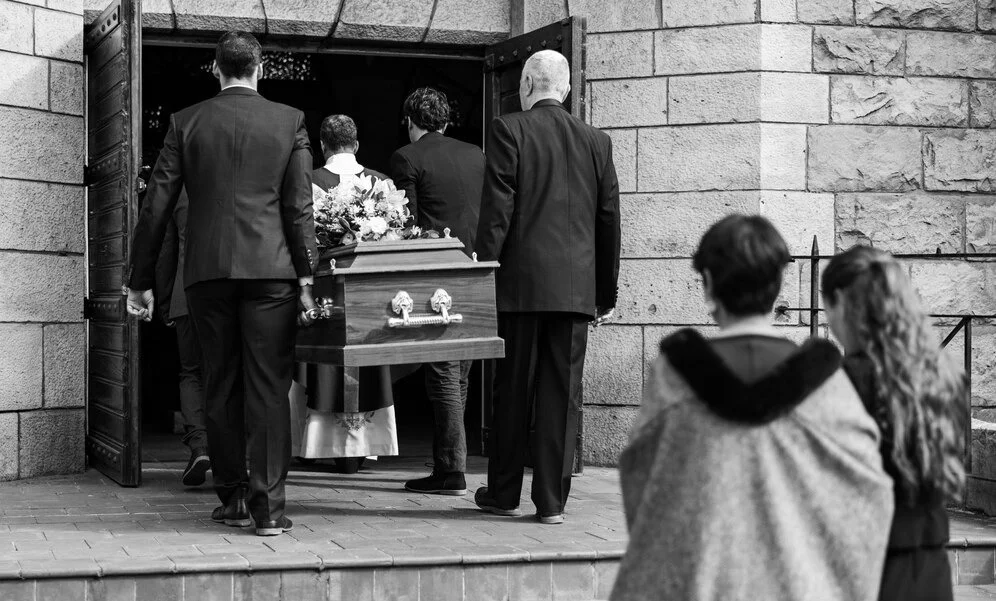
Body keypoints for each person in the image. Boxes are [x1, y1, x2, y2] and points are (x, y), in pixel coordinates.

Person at [610, 215, 894, 601]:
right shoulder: (827, 385)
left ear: (709, 283)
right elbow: (868, 497)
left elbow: (641, 486)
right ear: (778, 285)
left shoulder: (673, 379)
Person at [125, 31, 317, 537]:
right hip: (271, 270)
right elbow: (299, 207)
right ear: (261, 68)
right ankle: (268, 509)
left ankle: (232, 499)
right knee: (269, 387)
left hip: (206, 272)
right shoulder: (289, 121)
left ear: (216, 69)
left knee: (220, 381)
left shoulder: (185, 122)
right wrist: (307, 274)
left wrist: (139, 282)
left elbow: (156, 207)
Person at [473, 50, 621, 524]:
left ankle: (504, 493)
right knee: (563, 392)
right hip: (576, 290)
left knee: (513, 388)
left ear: (528, 84)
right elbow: (609, 220)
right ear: (567, 88)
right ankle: (552, 503)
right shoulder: (597, 141)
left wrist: (482, 271)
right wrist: (605, 294)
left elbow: (498, 210)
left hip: (520, 287)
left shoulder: (509, 129)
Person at [822, 246, 967, 601]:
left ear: (841, 302)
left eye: (827, 305)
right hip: (930, 563)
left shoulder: (845, 381)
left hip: (865, 565)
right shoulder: (946, 377)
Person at [390, 87, 485, 496]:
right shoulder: (476, 154)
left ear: (411, 121)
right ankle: (450, 464)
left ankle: (451, 470)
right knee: (458, 373)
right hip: (476, 269)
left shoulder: (406, 157)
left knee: (444, 373)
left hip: (437, 274)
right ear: (445, 121)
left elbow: (407, 226)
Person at [292, 114, 399, 473]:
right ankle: (363, 446)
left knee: (324, 360)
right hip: (369, 292)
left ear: (322, 146)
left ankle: (320, 445)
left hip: (326, 290)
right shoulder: (382, 183)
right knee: (367, 358)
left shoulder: (308, 182)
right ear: (356, 144)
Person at [154, 188, 210, 487]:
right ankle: (233, 454)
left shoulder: (181, 190)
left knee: (191, 372)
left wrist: (166, 302)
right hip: (231, 297)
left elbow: (166, 250)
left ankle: (200, 447)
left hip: (185, 295)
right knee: (229, 372)